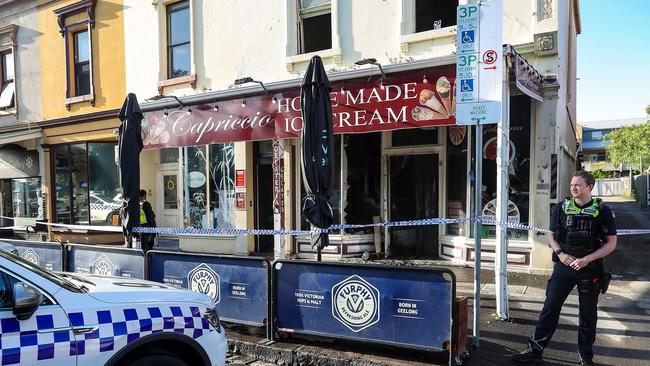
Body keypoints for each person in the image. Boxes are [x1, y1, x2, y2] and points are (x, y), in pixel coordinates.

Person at [512, 171, 616, 366]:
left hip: (590, 268)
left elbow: (611, 244)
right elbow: (551, 235)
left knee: (588, 314)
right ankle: (535, 350)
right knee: (550, 308)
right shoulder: (561, 208)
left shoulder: (603, 211)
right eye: (571, 185)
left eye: (578, 185)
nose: (573, 188)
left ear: (590, 187)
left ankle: (585, 356)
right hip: (564, 265)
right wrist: (560, 253)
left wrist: (587, 259)